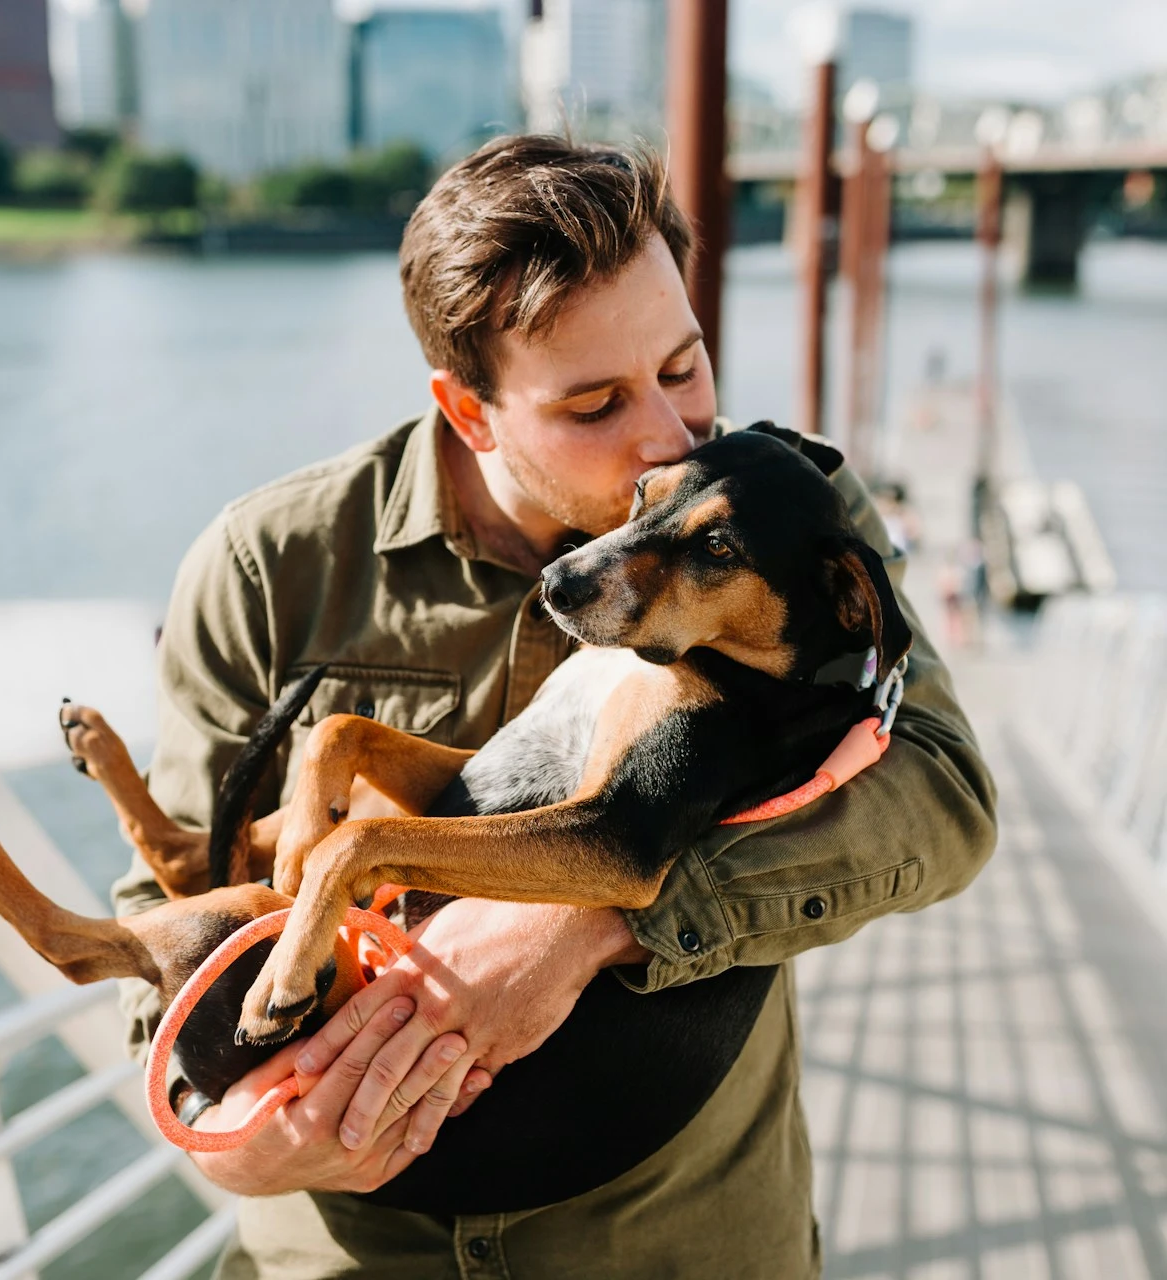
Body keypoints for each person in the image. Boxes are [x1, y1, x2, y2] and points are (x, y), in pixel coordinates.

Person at [112, 135, 997, 1279]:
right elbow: (159, 913)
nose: (668, 438)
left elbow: (946, 793)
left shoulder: (792, 509)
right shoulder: (264, 565)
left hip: (681, 1246)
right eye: (592, 404)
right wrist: (231, 1132)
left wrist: (590, 913)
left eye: (685, 367)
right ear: (468, 411)